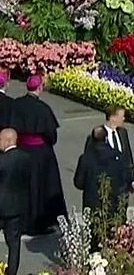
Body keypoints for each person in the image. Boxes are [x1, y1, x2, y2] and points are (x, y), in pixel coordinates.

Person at [9, 76, 65, 236]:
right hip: (41, 154)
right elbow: (51, 135)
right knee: (41, 187)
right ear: (39, 88)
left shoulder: (16, 104)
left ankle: (21, 222)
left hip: (21, 149)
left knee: (22, 187)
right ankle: (40, 223)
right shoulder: (43, 108)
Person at [73, 127, 131, 237]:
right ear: (105, 139)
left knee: (94, 237)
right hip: (113, 202)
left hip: (92, 204)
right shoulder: (117, 155)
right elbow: (124, 178)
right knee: (112, 235)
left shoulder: (85, 159)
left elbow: (78, 183)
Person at [0, 129, 29, 275]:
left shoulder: (2, 161)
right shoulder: (26, 158)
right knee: (14, 243)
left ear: (8, 140)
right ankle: (11, 272)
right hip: (17, 208)